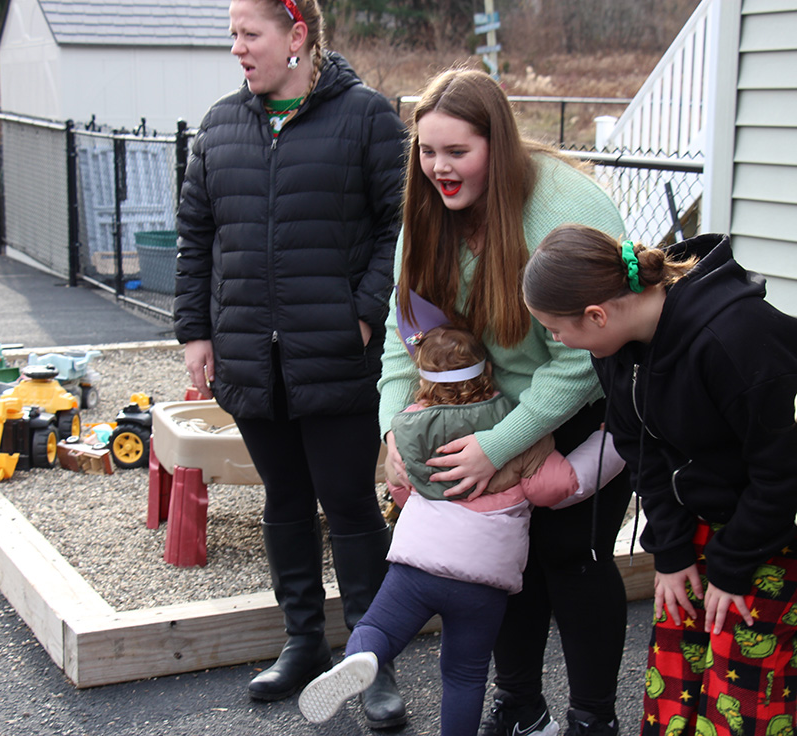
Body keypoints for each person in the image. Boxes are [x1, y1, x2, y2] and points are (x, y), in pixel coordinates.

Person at [376, 67, 632, 736]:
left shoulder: (560, 210)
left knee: (574, 561)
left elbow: (581, 358)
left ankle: (592, 719)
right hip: (496, 408)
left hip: (586, 403)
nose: (438, 168)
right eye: (427, 152)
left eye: (457, 152)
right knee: (499, 564)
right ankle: (520, 704)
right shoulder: (426, 214)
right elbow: (405, 341)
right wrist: (393, 439)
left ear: (499, 142)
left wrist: (499, 444)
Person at [173, 0, 407, 728]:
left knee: (349, 504)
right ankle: (304, 643)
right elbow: (197, 239)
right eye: (232, 36)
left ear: (296, 34)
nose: (238, 49)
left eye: (251, 35)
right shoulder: (219, 126)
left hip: (336, 355)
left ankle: (373, 661)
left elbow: (400, 225)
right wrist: (195, 333)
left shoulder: (366, 117)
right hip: (251, 359)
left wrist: (364, 312)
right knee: (284, 501)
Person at [523, 224, 797, 736]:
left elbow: (782, 474)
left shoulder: (735, 339)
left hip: (771, 533)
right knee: (675, 676)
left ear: (596, 315)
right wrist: (669, 554)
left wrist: (732, 566)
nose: (556, 341)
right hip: (701, 519)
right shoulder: (613, 350)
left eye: (555, 330)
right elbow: (641, 454)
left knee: (745, 689)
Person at [298, 325, 625, 736]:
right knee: (463, 674)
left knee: (377, 628)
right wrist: (611, 445)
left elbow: (400, 488)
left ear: (423, 379)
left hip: (414, 566)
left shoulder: (408, 426)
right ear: (489, 369)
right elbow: (557, 488)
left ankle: (362, 656)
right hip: (480, 579)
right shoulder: (516, 426)